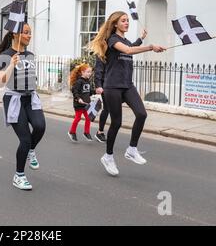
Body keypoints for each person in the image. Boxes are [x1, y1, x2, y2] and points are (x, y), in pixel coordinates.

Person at [91, 11, 166, 176]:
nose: (126, 23)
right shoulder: (112, 40)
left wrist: (142, 39)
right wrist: (150, 46)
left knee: (141, 114)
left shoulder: (124, 40)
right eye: (123, 21)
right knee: (116, 123)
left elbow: (130, 47)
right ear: (115, 24)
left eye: (127, 20)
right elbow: (128, 50)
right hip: (112, 87)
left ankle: (132, 149)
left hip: (127, 85)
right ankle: (108, 156)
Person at [0, 23, 46, 191]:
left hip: (31, 97)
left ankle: (31, 150)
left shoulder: (30, 55)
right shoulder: (4, 55)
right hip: (13, 99)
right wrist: (11, 65)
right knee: (24, 139)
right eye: (26, 33)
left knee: (40, 126)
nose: (29, 36)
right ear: (16, 35)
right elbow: (0, 83)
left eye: (30, 33)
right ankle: (19, 175)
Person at [94, 30, 148, 142]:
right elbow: (98, 69)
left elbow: (130, 48)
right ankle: (100, 131)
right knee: (107, 109)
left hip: (121, 84)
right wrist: (98, 85)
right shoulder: (103, 50)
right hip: (107, 84)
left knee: (112, 112)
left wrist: (141, 38)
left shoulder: (119, 46)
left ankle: (101, 132)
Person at [67, 63, 95, 142]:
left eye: (90, 72)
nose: (90, 73)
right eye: (88, 72)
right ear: (82, 72)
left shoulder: (87, 81)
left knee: (88, 118)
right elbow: (74, 91)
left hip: (86, 104)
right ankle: (72, 132)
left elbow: (89, 92)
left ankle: (86, 132)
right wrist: (78, 98)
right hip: (79, 104)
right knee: (78, 118)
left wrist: (96, 91)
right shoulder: (79, 81)